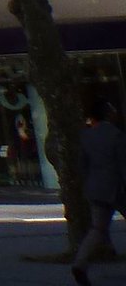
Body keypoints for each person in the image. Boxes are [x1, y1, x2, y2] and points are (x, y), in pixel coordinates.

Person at [74, 101, 126, 285]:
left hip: (96, 188)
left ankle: (80, 263)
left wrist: (88, 184)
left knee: (97, 228)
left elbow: (82, 165)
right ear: (107, 115)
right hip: (117, 188)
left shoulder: (86, 136)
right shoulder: (116, 135)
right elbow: (122, 164)